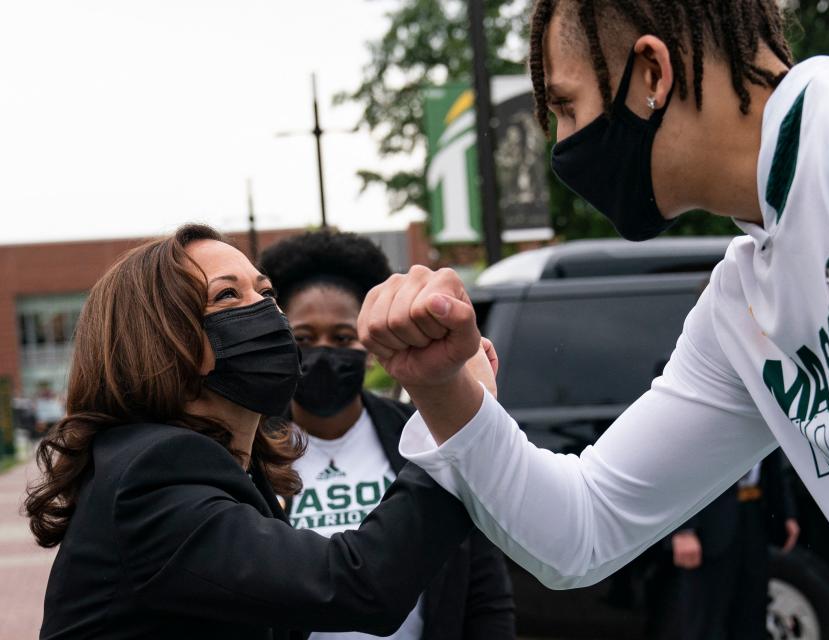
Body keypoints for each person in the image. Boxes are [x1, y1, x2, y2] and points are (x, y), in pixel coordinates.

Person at [354, 1, 829, 637]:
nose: (563, 146)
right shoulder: (744, 300)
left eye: (566, 107)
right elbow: (584, 530)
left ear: (651, 73)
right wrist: (444, 387)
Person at [24, 224, 495, 640]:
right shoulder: (150, 475)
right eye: (229, 296)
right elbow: (359, 585)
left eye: (265, 294)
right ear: (163, 341)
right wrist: (457, 420)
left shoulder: (239, 470)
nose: (271, 315)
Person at [258, 230, 515, 640]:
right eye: (304, 338)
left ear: (370, 345)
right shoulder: (251, 453)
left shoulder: (425, 434)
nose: (324, 352)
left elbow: (484, 590)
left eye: (342, 338)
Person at [649, 451, 799, 640]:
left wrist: (786, 510)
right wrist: (683, 528)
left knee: (751, 616)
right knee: (705, 620)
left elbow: (772, 449)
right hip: (708, 520)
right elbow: (678, 457)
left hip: (754, 514)